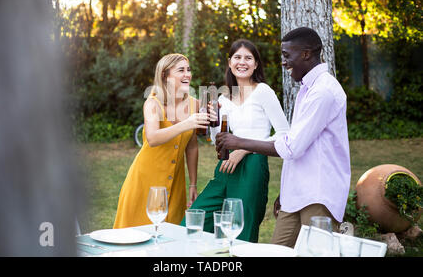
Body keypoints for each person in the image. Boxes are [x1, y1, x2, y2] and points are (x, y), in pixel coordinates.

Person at [216, 27, 351, 247]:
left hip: (319, 194)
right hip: (296, 194)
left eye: (287, 55)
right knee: (276, 252)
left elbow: (291, 147)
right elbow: (300, 147)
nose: (283, 62)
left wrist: (239, 142)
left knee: (315, 254)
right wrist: (286, 191)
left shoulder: (323, 91)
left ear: (306, 54)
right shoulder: (308, 88)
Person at [180, 39, 290, 242]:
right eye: (237, 57)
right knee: (190, 225)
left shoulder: (263, 91)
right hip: (224, 169)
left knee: (242, 234)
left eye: (248, 58)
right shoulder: (222, 99)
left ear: (256, 64)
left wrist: (244, 149)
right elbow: (218, 141)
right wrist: (211, 122)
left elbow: (284, 134)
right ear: (230, 62)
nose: (242, 62)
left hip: (252, 167)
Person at [113, 53, 209, 228]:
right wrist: (186, 123)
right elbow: (152, 137)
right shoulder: (152, 103)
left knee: (170, 239)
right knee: (134, 239)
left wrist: (193, 183)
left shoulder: (195, 104)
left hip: (175, 185)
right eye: (181, 70)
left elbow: (192, 147)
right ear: (165, 75)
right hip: (144, 181)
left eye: (188, 70)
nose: (187, 74)